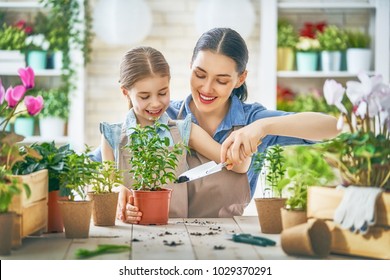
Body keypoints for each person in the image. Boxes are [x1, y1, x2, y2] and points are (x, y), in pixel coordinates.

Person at [92, 27, 339, 223]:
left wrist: (262, 127)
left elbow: (334, 128)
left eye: (221, 80)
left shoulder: (252, 120)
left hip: (227, 241)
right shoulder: (161, 115)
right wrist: (115, 197)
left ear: (240, 78)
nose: (207, 88)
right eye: (200, 75)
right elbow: (101, 166)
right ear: (189, 67)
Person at [100, 46, 251, 223]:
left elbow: (239, 166)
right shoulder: (112, 136)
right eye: (144, 96)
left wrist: (245, 143)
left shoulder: (185, 131)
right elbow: (106, 185)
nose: (155, 103)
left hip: (178, 233)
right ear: (126, 92)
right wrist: (118, 191)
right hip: (129, 232)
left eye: (162, 93)